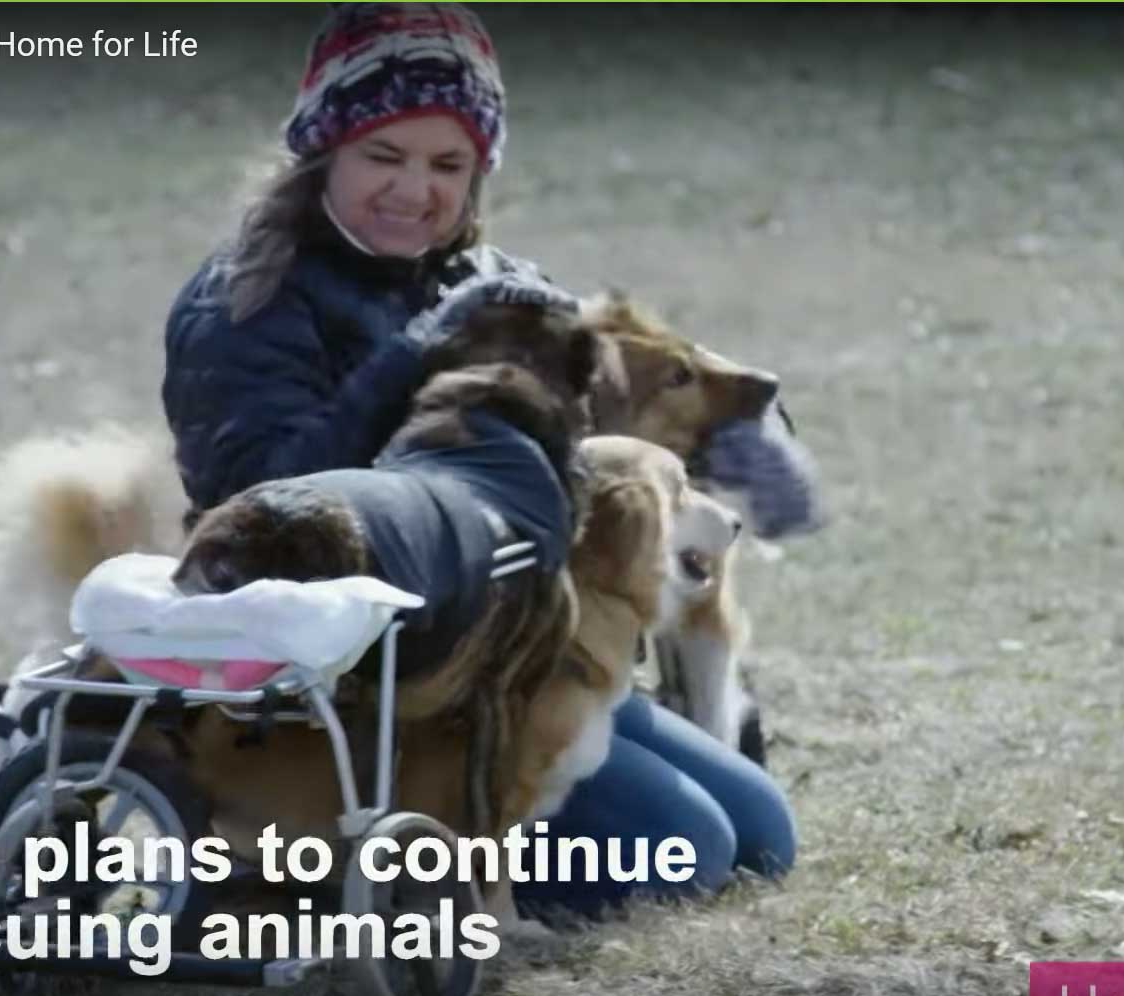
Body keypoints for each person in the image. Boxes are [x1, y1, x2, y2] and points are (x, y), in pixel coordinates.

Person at [160, 2, 796, 920]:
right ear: (323, 150)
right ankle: (331, 868)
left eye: (447, 165)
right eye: (385, 155)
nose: (415, 190)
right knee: (685, 853)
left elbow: (615, 425)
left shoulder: (482, 279)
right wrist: (414, 355)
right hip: (372, 683)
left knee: (759, 836)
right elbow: (265, 509)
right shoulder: (244, 303)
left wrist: (733, 417)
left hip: (523, 649)